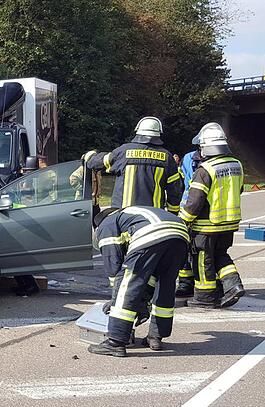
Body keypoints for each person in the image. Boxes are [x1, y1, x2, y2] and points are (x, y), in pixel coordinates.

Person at [90, 206, 189, 357]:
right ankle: (155, 337)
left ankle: (115, 342)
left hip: (152, 233)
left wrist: (116, 299)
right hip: (180, 236)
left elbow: (113, 263)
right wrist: (143, 299)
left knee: (128, 282)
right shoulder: (131, 215)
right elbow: (149, 277)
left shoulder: (106, 224)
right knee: (165, 285)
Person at [179, 125, 245, 308]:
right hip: (229, 223)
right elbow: (239, 189)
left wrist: (183, 221)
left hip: (206, 225)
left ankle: (205, 297)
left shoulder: (205, 169)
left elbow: (195, 201)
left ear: (206, 147)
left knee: (203, 260)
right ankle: (233, 285)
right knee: (220, 255)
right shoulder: (236, 164)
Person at [85, 117, 184, 212]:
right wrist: (173, 212)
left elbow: (96, 163)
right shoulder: (167, 157)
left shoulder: (123, 152)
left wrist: (90, 156)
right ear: (158, 134)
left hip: (123, 215)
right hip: (153, 215)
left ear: (137, 131)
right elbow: (175, 191)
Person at [175, 123, 225, 297]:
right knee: (185, 249)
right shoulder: (189, 159)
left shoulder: (217, 163)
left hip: (206, 213)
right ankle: (186, 283)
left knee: (206, 255)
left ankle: (211, 286)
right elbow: (182, 184)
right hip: (189, 207)